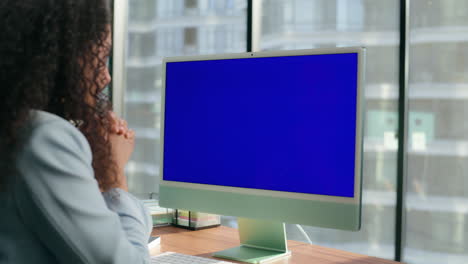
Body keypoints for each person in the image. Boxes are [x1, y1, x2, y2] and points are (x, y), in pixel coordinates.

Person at [0, 0, 152, 263]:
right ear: (60, 58)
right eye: (100, 59)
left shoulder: (12, 125)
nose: (106, 77)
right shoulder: (41, 137)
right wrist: (115, 177)